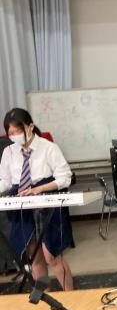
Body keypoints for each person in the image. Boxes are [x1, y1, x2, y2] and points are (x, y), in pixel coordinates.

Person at [0, 108, 75, 290]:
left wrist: (38, 189)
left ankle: (71, 296)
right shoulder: (9, 152)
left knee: (52, 256)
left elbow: (65, 177)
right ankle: (44, 297)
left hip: (46, 202)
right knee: (34, 257)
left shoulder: (48, 147)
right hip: (22, 204)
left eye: (17, 131)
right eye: (10, 133)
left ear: (30, 127)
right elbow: (5, 181)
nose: (14, 136)